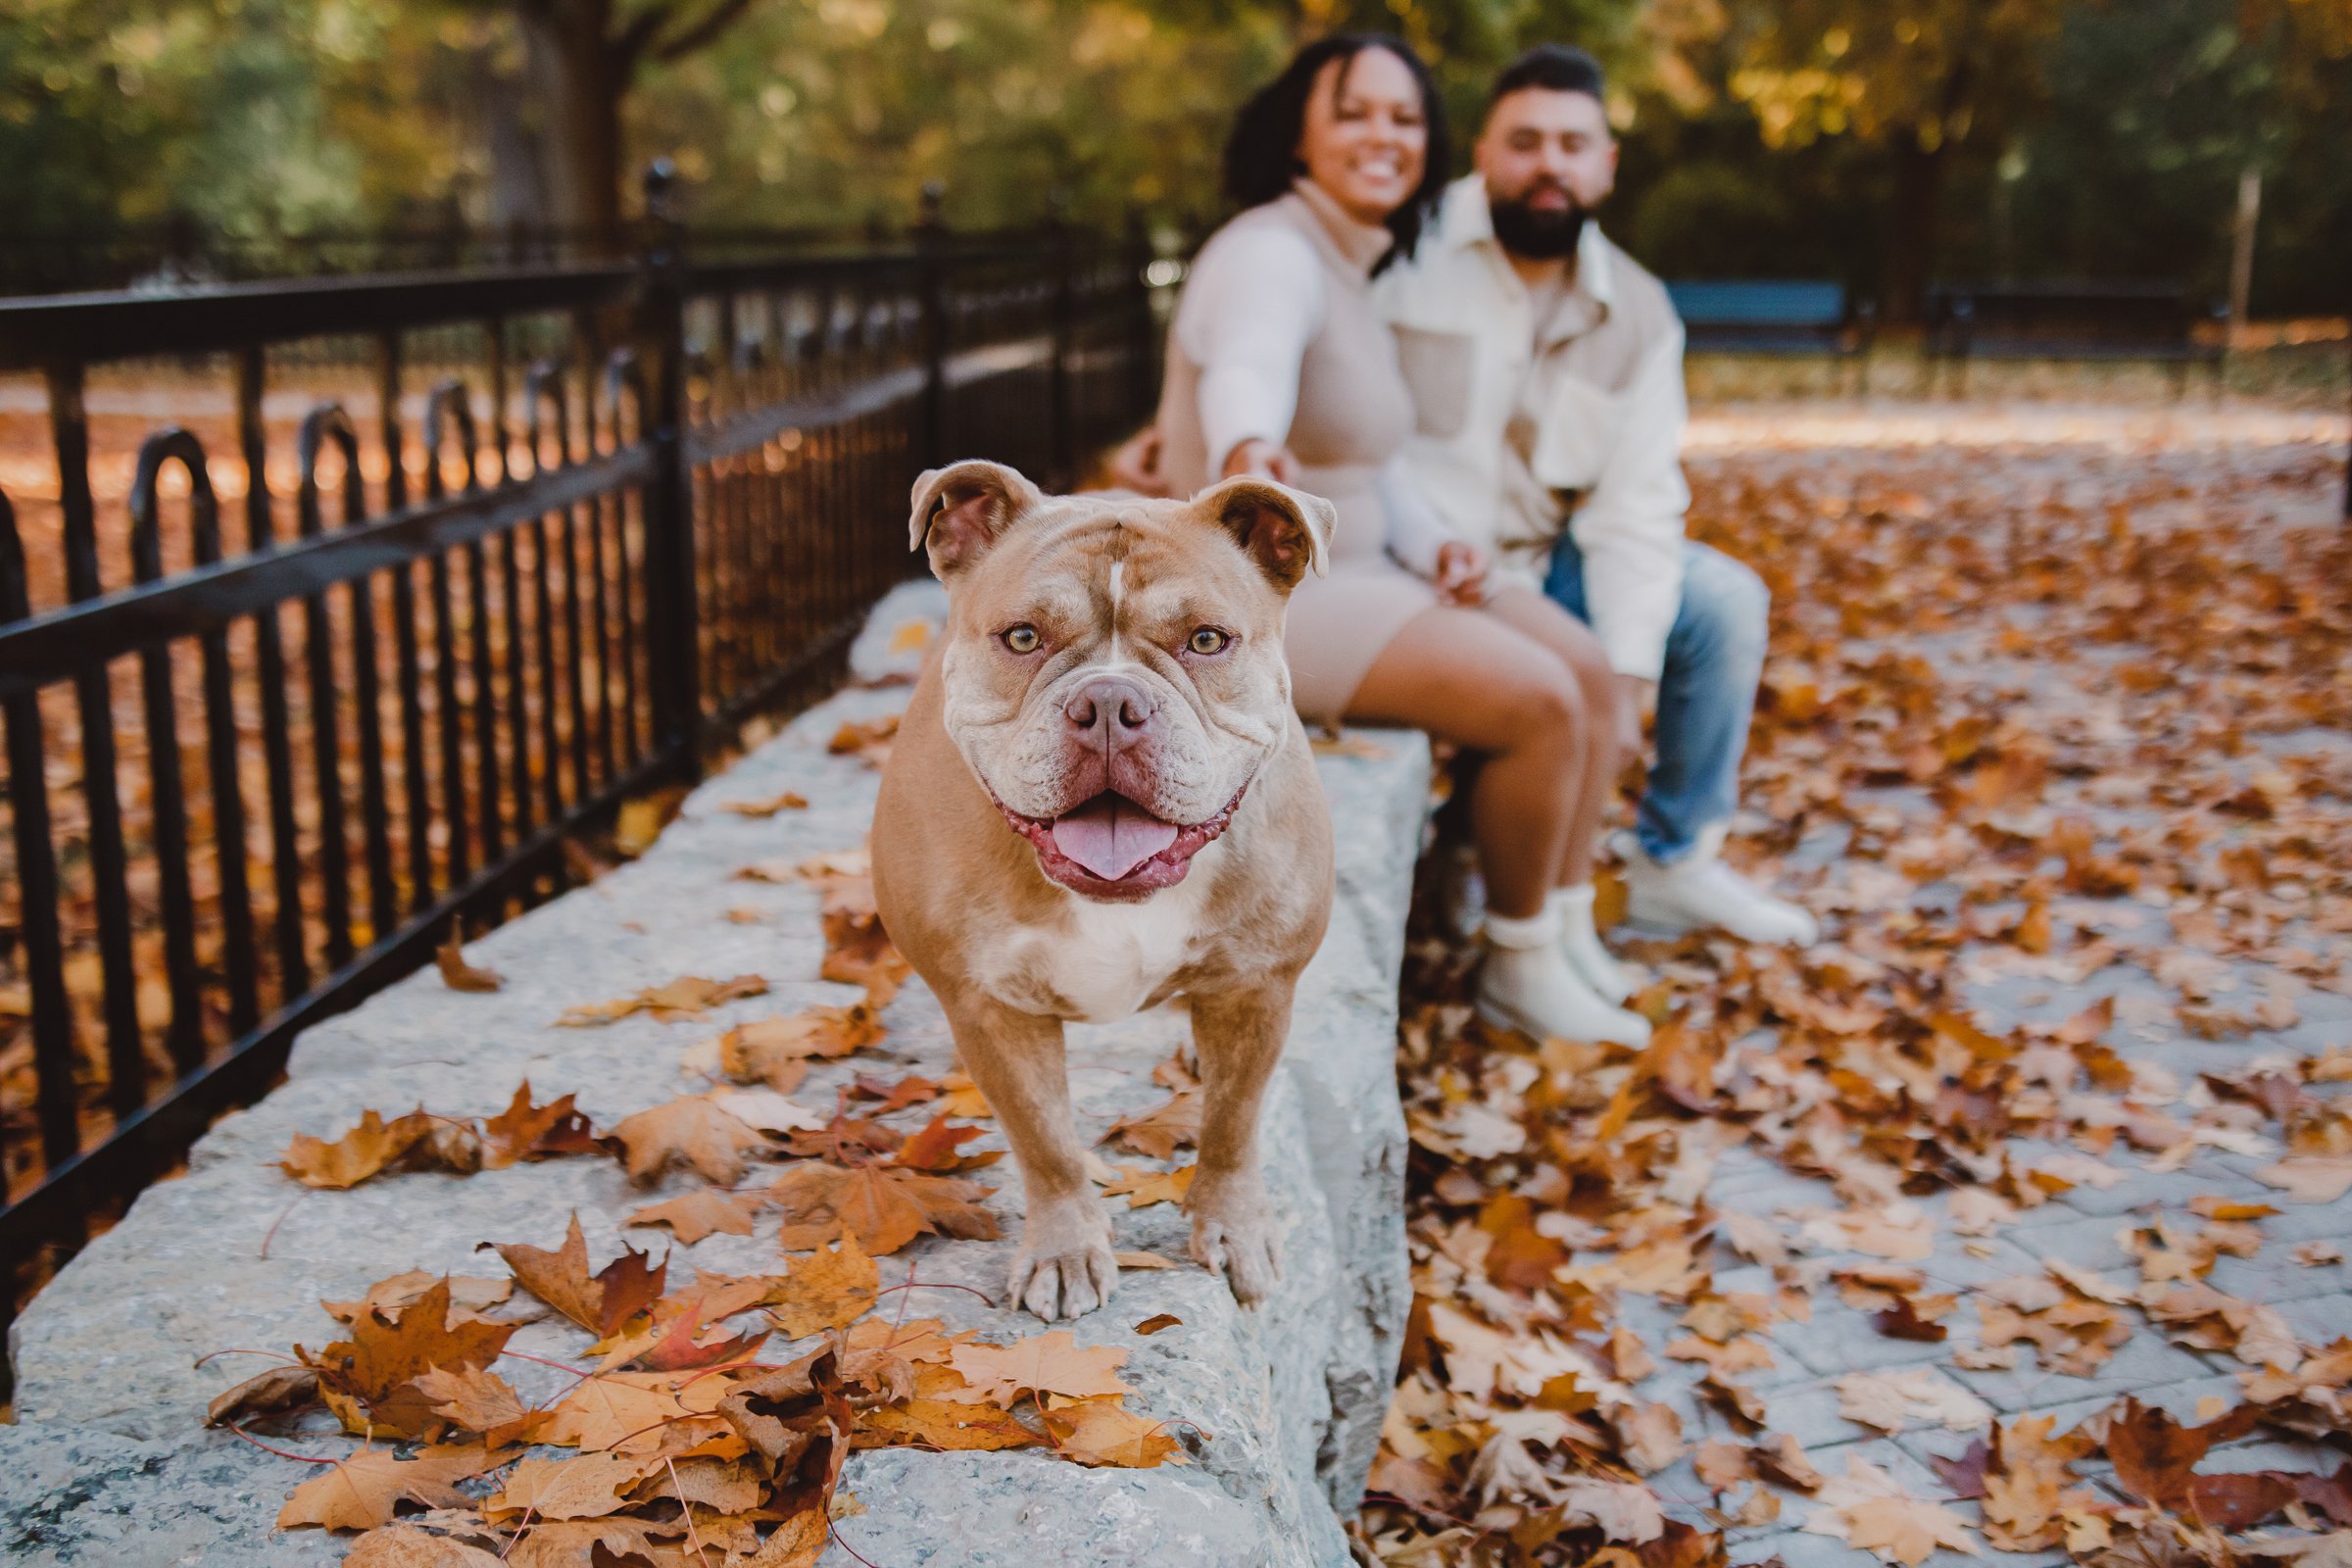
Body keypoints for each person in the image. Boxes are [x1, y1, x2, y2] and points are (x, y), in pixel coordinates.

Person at [1137, 34, 1650, 1046]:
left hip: (1372, 566)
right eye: (1354, 112)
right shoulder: (1271, 253)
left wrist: (1438, 543)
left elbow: (1374, 464)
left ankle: (1561, 925)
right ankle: (1519, 964)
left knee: (1590, 670)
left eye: (1405, 117)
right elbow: (1252, 363)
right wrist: (1248, 441)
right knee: (1540, 704)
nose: (1385, 135)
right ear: (1299, 133)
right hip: (1270, 599)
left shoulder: (1352, 263)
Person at [1373, 45, 1818, 947]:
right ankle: (1482, 868)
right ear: (1484, 156)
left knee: (1722, 602)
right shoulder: (1398, 255)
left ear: (1606, 167)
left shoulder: (1641, 313)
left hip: (1537, 575)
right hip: (1403, 570)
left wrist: (1625, 673)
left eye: (1573, 145)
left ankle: (1673, 861)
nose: (1550, 165)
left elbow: (1636, 507)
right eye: (1525, 141)